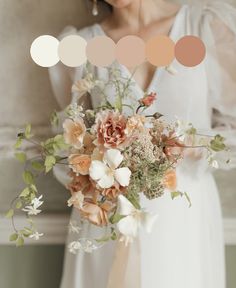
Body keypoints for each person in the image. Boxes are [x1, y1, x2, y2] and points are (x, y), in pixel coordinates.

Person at [49, 0, 236, 287]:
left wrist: (189, 146)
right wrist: (97, 158)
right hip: (110, 218)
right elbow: (69, 142)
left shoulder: (202, 27)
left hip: (183, 215)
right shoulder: (82, 46)